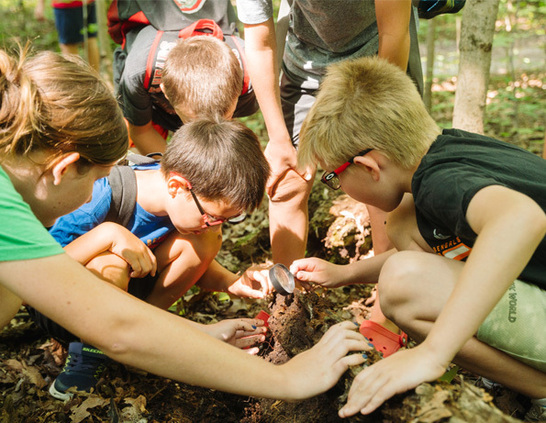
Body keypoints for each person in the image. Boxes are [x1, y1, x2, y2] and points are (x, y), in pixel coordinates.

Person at [0, 47, 370, 406]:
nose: (91, 191)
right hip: (78, 302)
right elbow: (115, 327)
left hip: (108, 296)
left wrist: (206, 327)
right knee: (106, 265)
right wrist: (288, 379)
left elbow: (118, 320)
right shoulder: (26, 211)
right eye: (96, 176)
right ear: (64, 169)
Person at [293, 56, 546, 420]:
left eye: (334, 177)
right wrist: (343, 274)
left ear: (368, 167)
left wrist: (433, 353)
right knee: (404, 228)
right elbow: (430, 254)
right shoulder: (449, 152)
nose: (337, 186)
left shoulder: (437, 183)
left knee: (401, 284)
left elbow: (521, 219)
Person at [28, 118, 273, 398]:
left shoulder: (186, 201)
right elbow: (37, 271)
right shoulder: (100, 195)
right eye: (212, 216)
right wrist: (107, 234)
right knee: (111, 263)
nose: (216, 224)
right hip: (69, 306)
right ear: (176, 186)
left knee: (204, 240)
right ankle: (90, 354)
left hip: (128, 295)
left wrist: (233, 283)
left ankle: (145, 337)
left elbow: (193, 263)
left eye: (226, 219)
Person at [236, 0, 423, 355]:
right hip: (306, 64)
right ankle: (285, 305)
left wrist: (367, 124)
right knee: (286, 180)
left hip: (380, 57)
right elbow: (259, 42)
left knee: (383, 181)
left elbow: (394, 34)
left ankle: (386, 312)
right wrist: (277, 138)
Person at [113, 2, 258, 155]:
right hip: (150, 93)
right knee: (136, 151)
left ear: (236, 94)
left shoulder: (251, 77)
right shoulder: (140, 71)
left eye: (226, 115)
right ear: (166, 91)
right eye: (191, 120)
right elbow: (141, 132)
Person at [35, 0, 100, 71]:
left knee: (69, 45)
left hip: (67, 5)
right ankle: (95, 78)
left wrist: (40, 4)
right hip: (87, 3)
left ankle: (74, 79)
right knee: (90, 40)